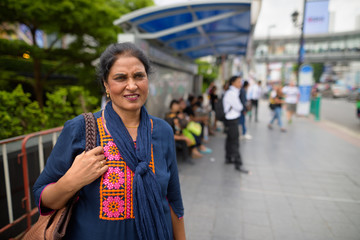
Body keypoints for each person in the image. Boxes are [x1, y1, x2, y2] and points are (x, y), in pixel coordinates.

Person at [33, 42, 185, 240]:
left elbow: (173, 200)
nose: (132, 85)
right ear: (106, 84)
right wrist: (72, 181)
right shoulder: (81, 129)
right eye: (120, 78)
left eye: (139, 76)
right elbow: (43, 196)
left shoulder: (162, 130)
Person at [223, 76, 250, 174]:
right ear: (233, 82)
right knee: (235, 142)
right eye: (238, 82)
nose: (240, 84)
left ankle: (229, 158)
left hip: (231, 120)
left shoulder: (233, 92)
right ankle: (238, 164)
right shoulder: (232, 93)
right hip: (232, 120)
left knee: (230, 140)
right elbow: (239, 107)